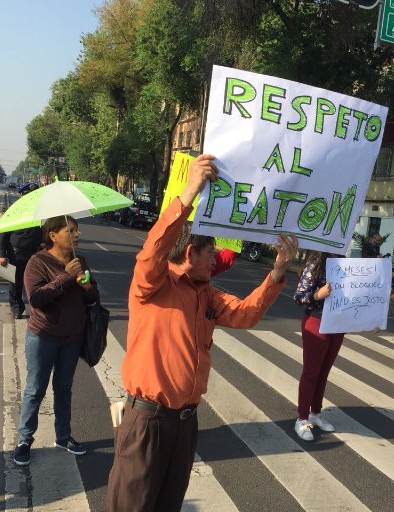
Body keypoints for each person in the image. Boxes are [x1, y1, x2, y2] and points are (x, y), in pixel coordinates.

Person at [105, 154, 298, 512]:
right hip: (148, 420)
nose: (218, 260)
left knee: (168, 504)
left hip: (185, 422)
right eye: (212, 253)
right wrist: (189, 192)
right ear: (192, 252)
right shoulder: (154, 284)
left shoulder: (205, 291)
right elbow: (152, 252)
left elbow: (246, 315)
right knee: (131, 506)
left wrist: (277, 273)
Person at [13, 216, 98, 466]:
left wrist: (86, 287)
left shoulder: (79, 260)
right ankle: (24, 440)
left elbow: (92, 296)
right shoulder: (37, 262)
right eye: (70, 231)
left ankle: (63, 436)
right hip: (43, 336)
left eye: (77, 230)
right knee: (35, 389)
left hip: (72, 338)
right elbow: (36, 298)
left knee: (63, 388)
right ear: (53, 236)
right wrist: (66, 277)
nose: (76, 235)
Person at [293, 251, 343, 441]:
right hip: (316, 321)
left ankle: (316, 412)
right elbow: (298, 296)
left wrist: (370, 318)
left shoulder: (345, 263)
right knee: (311, 373)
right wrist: (317, 295)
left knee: (324, 372)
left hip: (338, 324)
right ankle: (302, 418)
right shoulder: (315, 263)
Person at [0, 227, 42, 318]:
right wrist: (1, 254)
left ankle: (39, 307)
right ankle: (16, 307)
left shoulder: (38, 214)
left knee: (37, 282)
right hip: (16, 253)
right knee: (16, 282)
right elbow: (2, 235)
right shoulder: (14, 215)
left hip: (35, 253)